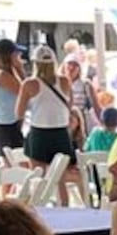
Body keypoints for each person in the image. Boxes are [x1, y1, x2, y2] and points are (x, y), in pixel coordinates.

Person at [16, 45, 77, 173]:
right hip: (61, 133)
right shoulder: (65, 81)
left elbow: (18, 113)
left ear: (35, 63)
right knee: (61, 178)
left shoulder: (29, 84)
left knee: (38, 176)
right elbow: (70, 105)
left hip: (39, 132)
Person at [0, 38, 26, 154]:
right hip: (6, 125)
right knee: (14, 162)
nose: (19, 57)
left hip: (5, 122)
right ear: (9, 55)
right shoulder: (2, 75)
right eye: (16, 54)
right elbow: (24, 91)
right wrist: (20, 68)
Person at [63, 52, 99, 132]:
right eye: (69, 64)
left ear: (79, 68)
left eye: (75, 65)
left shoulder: (85, 84)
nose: (71, 68)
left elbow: (96, 107)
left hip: (81, 125)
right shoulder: (59, 84)